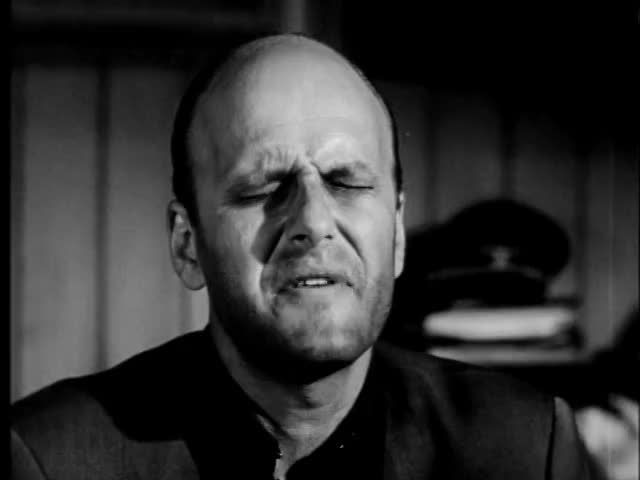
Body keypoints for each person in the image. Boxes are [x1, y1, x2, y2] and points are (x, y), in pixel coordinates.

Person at [11, 33, 594, 479]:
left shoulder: (527, 450)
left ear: (396, 232)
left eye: (347, 181)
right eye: (263, 188)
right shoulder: (50, 461)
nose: (314, 222)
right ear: (187, 245)